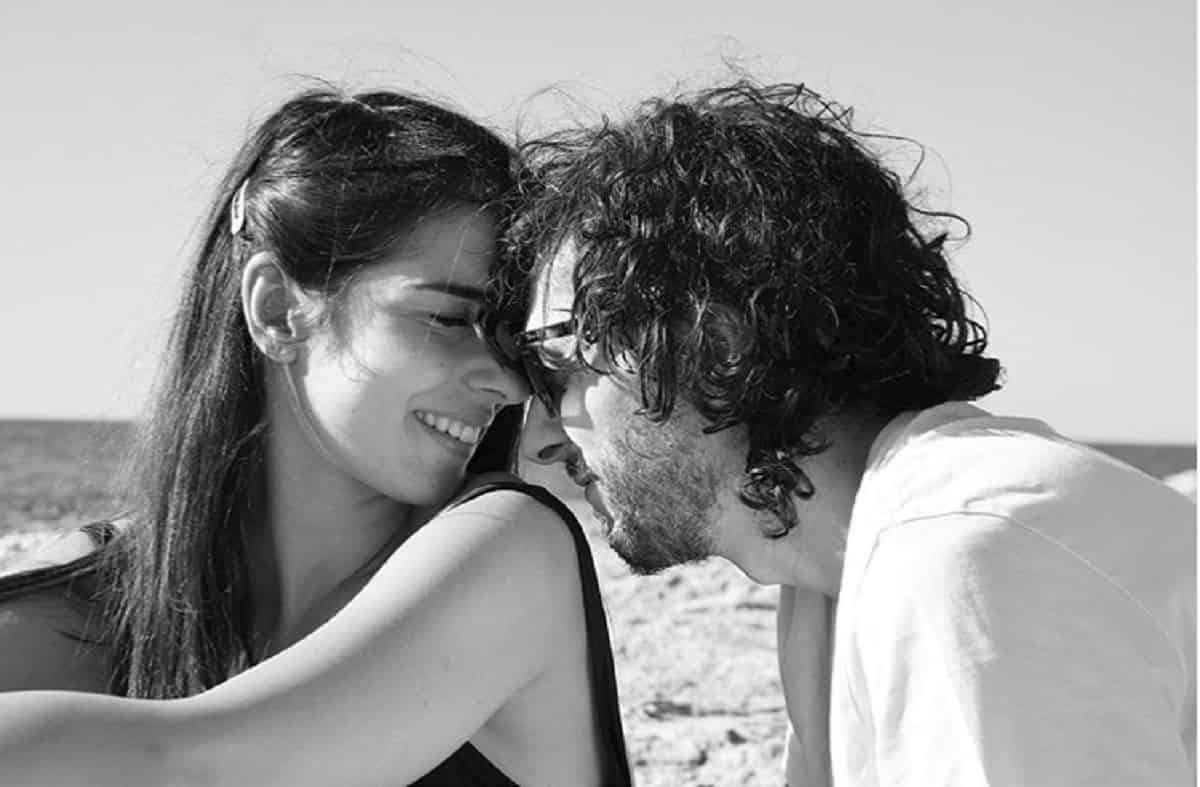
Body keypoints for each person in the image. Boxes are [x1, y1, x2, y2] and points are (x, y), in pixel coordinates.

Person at [508, 80, 1196, 786]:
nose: (542, 433)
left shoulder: (958, 553)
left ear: (715, 341)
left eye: (555, 365)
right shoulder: (833, 574)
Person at [0, 87, 632, 787]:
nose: (507, 383)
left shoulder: (511, 551)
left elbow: (192, 764)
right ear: (276, 308)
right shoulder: (108, 589)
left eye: (509, 339)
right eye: (449, 320)